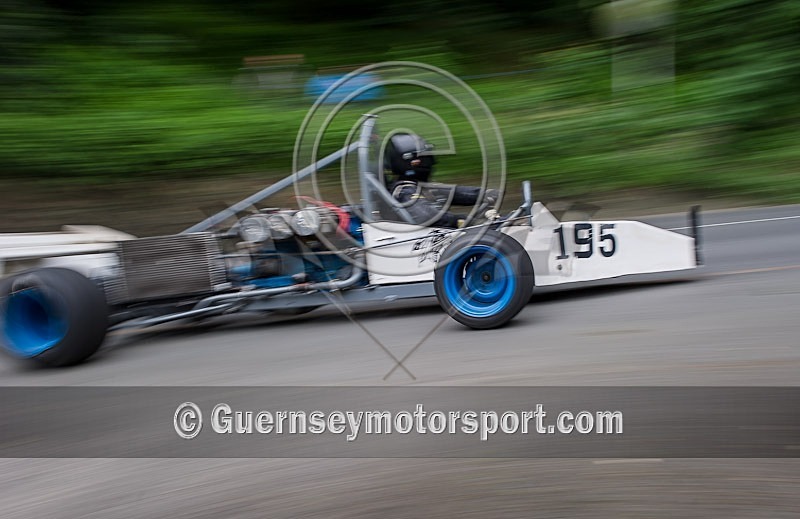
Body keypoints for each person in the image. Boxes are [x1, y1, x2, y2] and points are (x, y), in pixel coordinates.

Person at [382, 132, 498, 228]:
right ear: (413, 162)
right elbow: (428, 216)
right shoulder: (404, 191)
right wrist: (462, 220)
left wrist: (485, 194)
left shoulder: (419, 186)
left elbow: (453, 192)